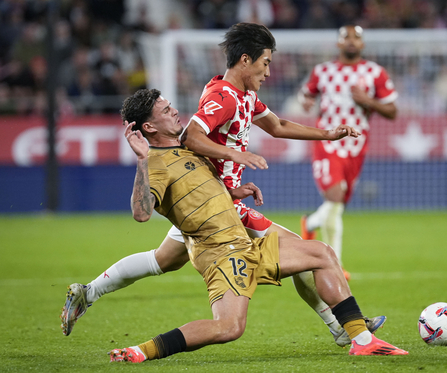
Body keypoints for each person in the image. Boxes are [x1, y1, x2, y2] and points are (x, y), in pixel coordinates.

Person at [60, 22, 386, 347]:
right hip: (217, 206)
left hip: (216, 197)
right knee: (308, 253)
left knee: (162, 260)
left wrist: (327, 133)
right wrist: (234, 154)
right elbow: (191, 136)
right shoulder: (223, 96)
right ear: (246, 60)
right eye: (265, 63)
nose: (268, 72)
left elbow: (277, 124)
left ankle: (89, 293)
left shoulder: (246, 95)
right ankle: (340, 325)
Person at [109, 89, 408, 361]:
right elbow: (141, 213)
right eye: (165, 110)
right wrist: (142, 160)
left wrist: (232, 192)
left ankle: (361, 339)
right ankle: (139, 351)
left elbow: (200, 191)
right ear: (148, 127)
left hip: (244, 243)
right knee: (228, 327)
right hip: (221, 255)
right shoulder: (155, 164)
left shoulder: (185, 152)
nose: (174, 111)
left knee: (321, 254)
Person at [299, 25, 398, 280]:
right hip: (328, 141)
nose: (352, 42)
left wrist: (368, 102)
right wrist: (306, 101)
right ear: (338, 44)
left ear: (362, 44)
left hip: (356, 145)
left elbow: (392, 111)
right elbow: (306, 94)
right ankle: (335, 265)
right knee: (334, 197)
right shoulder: (323, 71)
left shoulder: (374, 72)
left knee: (338, 205)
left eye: (356, 38)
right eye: (346, 38)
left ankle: (309, 224)